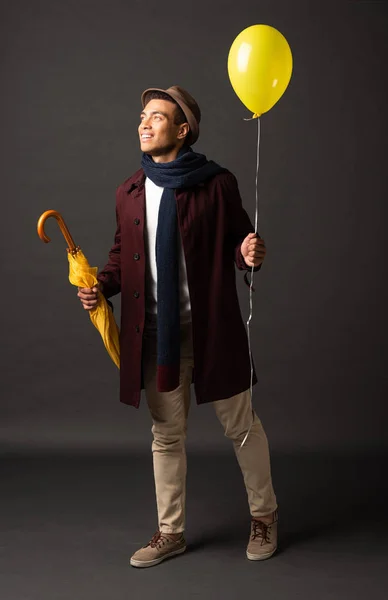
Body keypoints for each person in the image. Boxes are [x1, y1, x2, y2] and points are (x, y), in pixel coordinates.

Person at [78, 85, 278, 568]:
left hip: (213, 332)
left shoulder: (217, 184)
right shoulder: (128, 191)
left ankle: (265, 517)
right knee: (166, 436)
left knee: (243, 428)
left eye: (157, 117)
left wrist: (248, 253)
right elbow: (120, 259)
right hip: (154, 337)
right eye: (142, 115)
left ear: (182, 130)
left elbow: (238, 242)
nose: (144, 124)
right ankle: (171, 532)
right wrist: (101, 287)